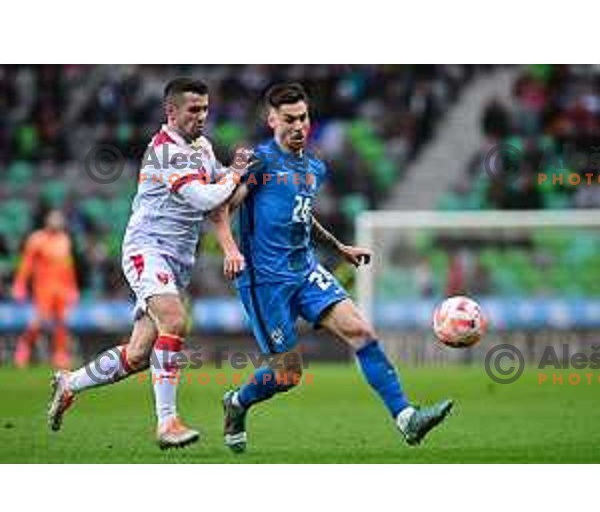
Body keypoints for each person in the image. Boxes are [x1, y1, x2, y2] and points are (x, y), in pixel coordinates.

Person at [214, 82, 453, 453]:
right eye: (289, 119)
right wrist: (231, 249)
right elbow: (223, 207)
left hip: (304, 270)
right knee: (287, 375)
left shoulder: (313, 167)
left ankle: (406, 418)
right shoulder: (259, 161)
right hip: (265, 281)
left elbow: (302, 216)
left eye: (304, 118)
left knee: (362, 333)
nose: (298, 126)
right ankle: (238, 402)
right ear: (271, 119)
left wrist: (338, 247)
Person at [48, 78, 251, 449]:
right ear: (170, 112)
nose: (202, 117)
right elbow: (205, 197)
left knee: (139, 354)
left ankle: (69, 382)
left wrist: (246, 175)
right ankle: (167, 423)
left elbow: (223, 188)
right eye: (194, 110)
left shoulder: (201, 147)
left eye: (205, 109)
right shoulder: (164, 152)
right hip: (148, 249)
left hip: (178, 261)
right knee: (174, 320)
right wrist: (236, 175)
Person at [12, 209, 79, 369]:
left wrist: (73, 288)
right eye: (54, 218)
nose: (57, 221)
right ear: (46, 220)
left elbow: (68, 267)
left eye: (59, 219)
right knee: (39, 321)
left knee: (62, 321)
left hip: (62, 288)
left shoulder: (64, 240)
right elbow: (26, 264)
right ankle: (24, 347)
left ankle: (60, 355)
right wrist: (19, 285)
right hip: (43, 287)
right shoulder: (37, 239)